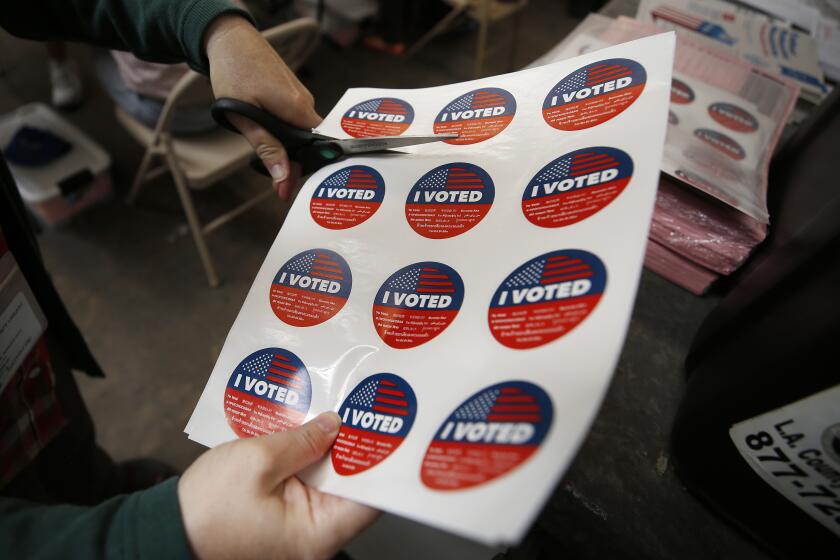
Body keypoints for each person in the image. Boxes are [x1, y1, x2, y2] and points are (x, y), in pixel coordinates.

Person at [0, 1, 377, 557]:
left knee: (63, 443)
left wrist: (211, 25)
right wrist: (144, 539)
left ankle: (99, 491)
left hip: (25, 351)